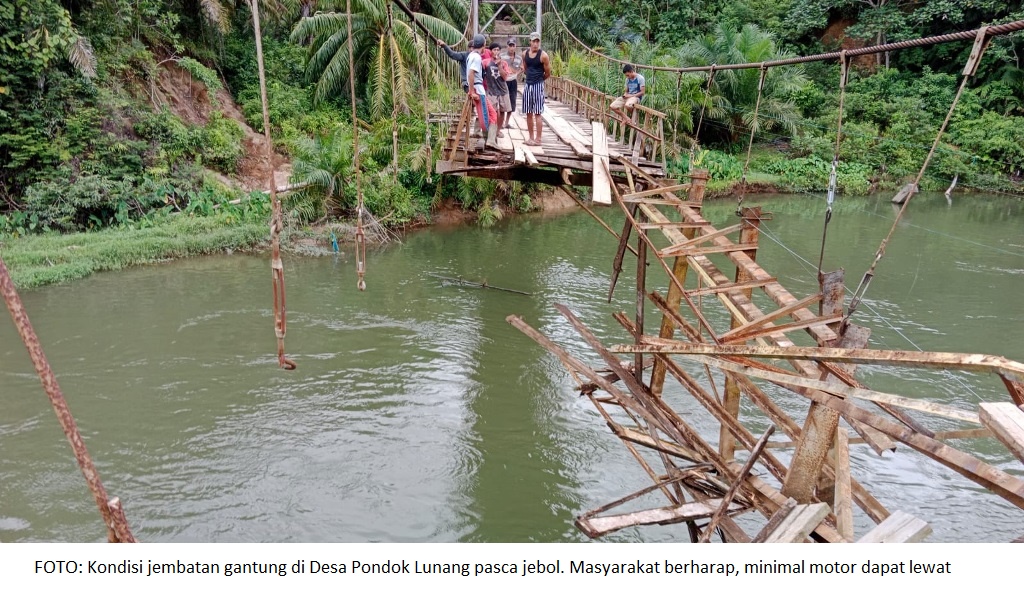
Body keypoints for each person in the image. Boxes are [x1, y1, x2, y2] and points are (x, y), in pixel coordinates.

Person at [465, 34, 498, 146]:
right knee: (485, 117)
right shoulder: (477, 57)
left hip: (478, 89)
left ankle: (490, 140)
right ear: (483, 45)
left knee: (492, 113)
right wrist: (471, 91)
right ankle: (488, 141)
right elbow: (471, 74)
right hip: (478, 89)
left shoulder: (471, 55)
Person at [521, 32, 550, 146]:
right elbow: (526, 68)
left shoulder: (543, 56)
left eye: (537, 41)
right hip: (528, 85)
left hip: (538, 85)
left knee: (537, 112)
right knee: (528, 112)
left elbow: (547, 73)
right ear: (530, 42)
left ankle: (538, 139)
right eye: (534, 41)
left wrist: (539, 80)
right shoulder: (525, 54)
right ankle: (531, 138)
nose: (535, 44)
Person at [484, 43, 512, 135]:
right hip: (491, 91)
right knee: (493, 111)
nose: (496, 52)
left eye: (498, 50)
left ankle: (498, 130)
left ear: (500, 51)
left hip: (503, 90)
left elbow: (505, 78)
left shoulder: (504, 63)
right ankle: (492, 129)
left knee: (503, 111)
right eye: (494, 50)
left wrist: (499, 65)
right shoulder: (486, 62)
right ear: (491, 51)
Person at [499, 38, 524, 124]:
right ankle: (501, 122)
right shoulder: (501, 56)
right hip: (503, 81)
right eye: (510, 45)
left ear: (515, 46)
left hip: (513, 81)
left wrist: (517, 73)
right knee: (502, 101)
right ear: (507, 46)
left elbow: (522, 67)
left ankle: (507, 122)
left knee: (512, 100)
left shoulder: (519, 58)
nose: (511, 47)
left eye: (513, 45)